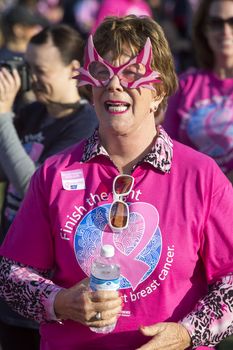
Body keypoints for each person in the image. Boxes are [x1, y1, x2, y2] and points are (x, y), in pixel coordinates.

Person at [0, 14, 233, 350]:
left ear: (159, 91)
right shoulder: (54, 173)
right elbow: (12, 275)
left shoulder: (201, 175)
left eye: (132, 74)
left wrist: (186, 334)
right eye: (101, 72)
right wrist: (60, 301)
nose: (114, 84)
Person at [0, 23, 98, 350]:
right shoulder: (32, 113)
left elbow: (32, 186)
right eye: (27, 68)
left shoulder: (84, 126)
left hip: (47, 284)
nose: (31, 78)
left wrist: (2, 116)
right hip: (14, 266)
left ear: (73, 70)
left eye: (39, 70)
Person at [163, 0, 233, 183]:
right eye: (216, 23)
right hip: (196, 194)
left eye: (232, 22)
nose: (226, 31)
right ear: (204, 30)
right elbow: (167, 152)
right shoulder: (185, 86)